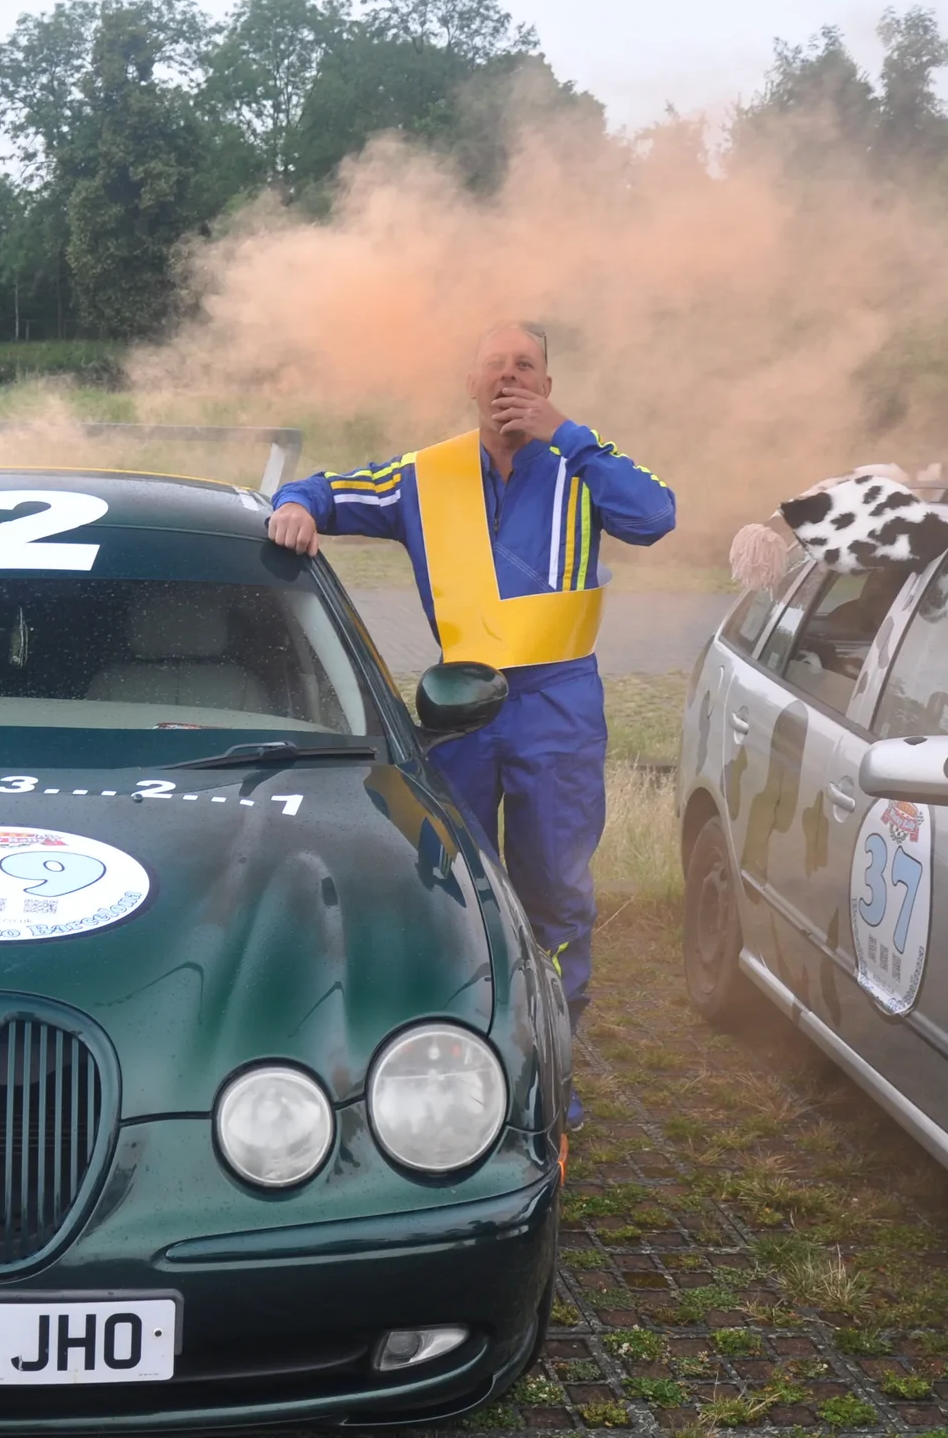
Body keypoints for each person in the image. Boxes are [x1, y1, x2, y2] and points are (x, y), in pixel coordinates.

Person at [268, 321, 676, 1113]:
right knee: (452, 886)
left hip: (558, 712)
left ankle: (549, 1067)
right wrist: (292, 505)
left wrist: (570, 437)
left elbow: (656, 516)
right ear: (471, 383)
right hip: (459, 711)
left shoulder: (582, 467)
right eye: (494, 365)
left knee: (553, 892)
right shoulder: (426, 475)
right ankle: (456, 1056)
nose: (508, 378)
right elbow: (323, 489)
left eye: (526, 366)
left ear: (547, 386)